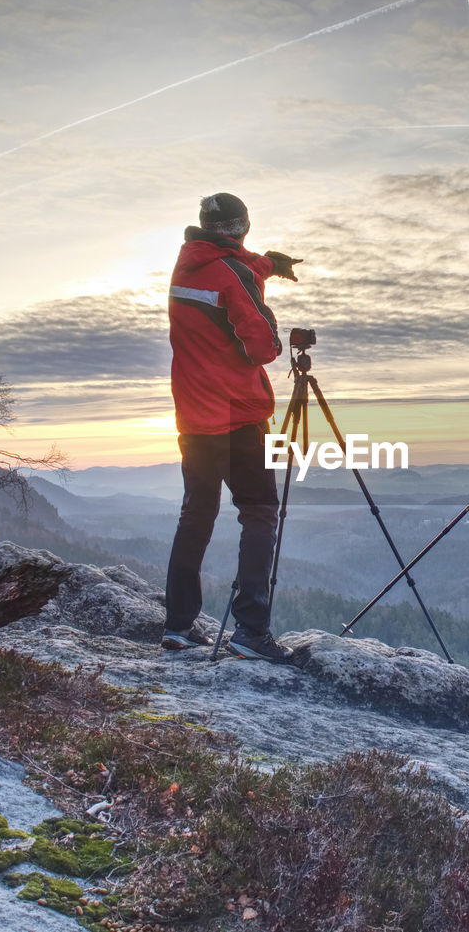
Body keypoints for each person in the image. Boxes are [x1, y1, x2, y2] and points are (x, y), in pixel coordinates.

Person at [161, 192, 302, 663]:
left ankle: (178, 626)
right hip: (240, 416)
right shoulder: (232, 275)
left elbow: (227, 279)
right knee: (259, 511)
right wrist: (262, 293)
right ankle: (251, 630)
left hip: (195, 418)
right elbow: (263, 346)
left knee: (196, 514)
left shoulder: (187, 267)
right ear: (243, 226)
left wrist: (263, 266)